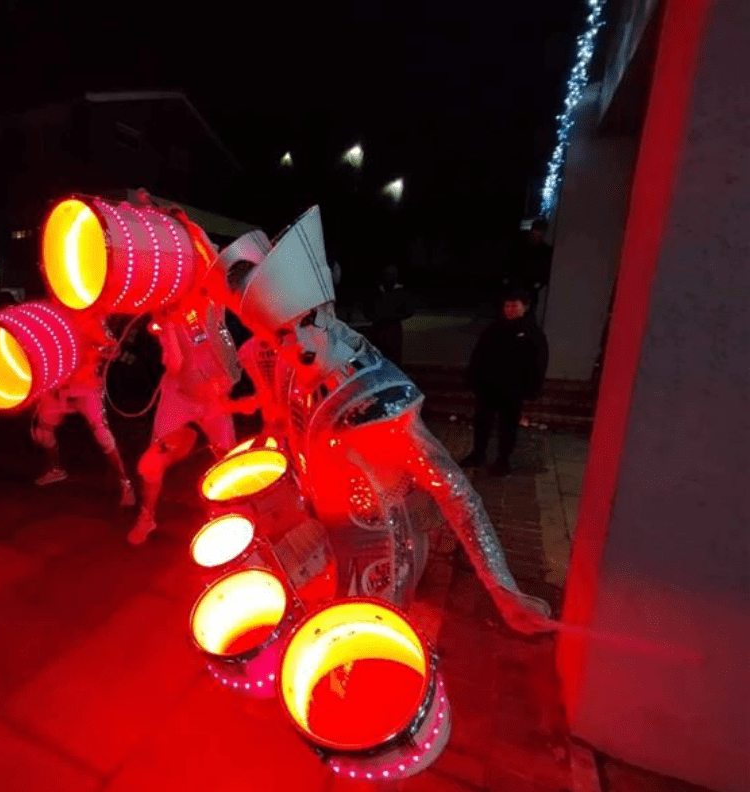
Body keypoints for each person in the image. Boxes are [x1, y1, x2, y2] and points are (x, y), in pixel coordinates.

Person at [214, 206, 552, 635]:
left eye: (306, 323)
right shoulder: (284, 367)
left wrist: (503, 590)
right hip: (323, 529)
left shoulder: (379, 398)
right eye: (281, 335)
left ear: (326, 307)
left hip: (383, 555)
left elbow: (457, 495)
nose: (298, 345)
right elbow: (283, 425)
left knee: (353, 647)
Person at [126, 299, 253, 546]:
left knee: (227, 456)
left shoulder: (212, 301)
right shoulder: (165, 309)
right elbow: (174, 364)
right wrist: (168, 323)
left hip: (215, 394)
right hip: (179, 395)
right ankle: (147, 516)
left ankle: (236, 510)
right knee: (154, 460)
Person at [30, 318, 134, 506]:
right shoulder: (53, 317)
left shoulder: (94, 321)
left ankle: (125, 482)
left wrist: (102, 349)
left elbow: (115, 351)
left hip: (85, 388)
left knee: (102, 435)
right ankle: (55, 469)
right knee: (42, 432)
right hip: (57, 388)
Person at [461, 290, 549, 476]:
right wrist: (473, 378)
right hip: (488, 386)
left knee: (508, 425)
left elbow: (538, 362)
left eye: (514, 305)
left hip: (513, 388)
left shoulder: (532, 332)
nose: (510, 309)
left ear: (525, 307)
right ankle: (478, 454)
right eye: (507, 306)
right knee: (482, 422)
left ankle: (503, 460)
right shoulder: (494, 328)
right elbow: (479, 355)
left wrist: (532, 388)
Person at [363, 265, 414, 366]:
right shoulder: (376, 293)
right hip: (377, 330)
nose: (389, 278)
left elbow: (409, 310)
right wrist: (377, 317)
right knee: (377, 359)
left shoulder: (402, 294)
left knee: (394, 360)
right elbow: (367, 309)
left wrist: (391, 316)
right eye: (387, 275)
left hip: (393, 330)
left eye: (392, 275)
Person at [503, 218, 553, 309]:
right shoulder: (519, 245)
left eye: (540, 231)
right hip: (516, 285)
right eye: (536, 230)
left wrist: (539, 284)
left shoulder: (545, 250)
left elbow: (545, 270)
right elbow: (509, 261)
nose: (537, 234)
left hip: (529, 289)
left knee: (526, 310)